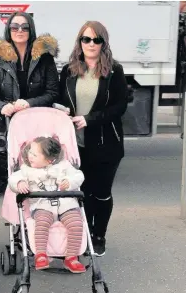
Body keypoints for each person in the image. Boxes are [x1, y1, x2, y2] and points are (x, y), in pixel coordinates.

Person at [58, 21, 128, 256]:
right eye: (86, 39)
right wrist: (65, 113)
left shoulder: (114, 71)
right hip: (77, 144)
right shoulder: (69, 70)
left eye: (96, 40)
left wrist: (91, 118)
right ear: (79, 42)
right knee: (83, 193)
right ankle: (85, 233)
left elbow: (120, 106)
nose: (90, 44)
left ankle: (99, 236)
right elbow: (61, 99)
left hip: (106, 143)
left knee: (101, 192)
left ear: (103, 43)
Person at [0, 11, 60, 180]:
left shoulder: (45, 58)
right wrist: (3, 107)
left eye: (24, 27)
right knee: (14, 175)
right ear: (8, 30)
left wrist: (29, 103)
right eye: (14, 27)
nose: (20, 30)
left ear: (31, 29)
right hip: (8, 126)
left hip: (38, 126)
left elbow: (53, 93)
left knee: (39, 175)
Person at [8, 136, 85, 273]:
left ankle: (71, 257)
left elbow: (78, 176)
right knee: (42, 223)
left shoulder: (64, 166)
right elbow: (14, 178)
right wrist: (20, 183)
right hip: (42, 204)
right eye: (29, 152)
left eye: (34, 154)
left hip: (66, 203)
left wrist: (69, 182)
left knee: (76, 224)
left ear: (50, 160)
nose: (29, 156)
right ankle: (41, 254)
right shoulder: (26, 169)